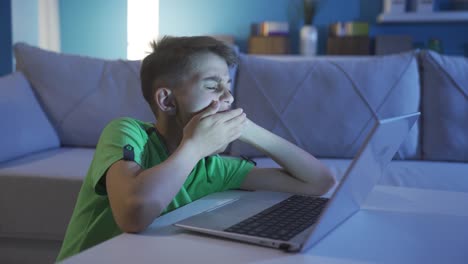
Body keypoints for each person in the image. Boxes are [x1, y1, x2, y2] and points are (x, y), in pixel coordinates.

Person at [56, 36, 335, 261]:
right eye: (213, 86)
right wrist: (195, 144)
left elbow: (318, 182)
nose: (228, 97)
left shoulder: (212, 167)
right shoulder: (127, 132)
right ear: (167, 101)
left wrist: (248, 128)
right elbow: (133, 213)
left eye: (228, 87)